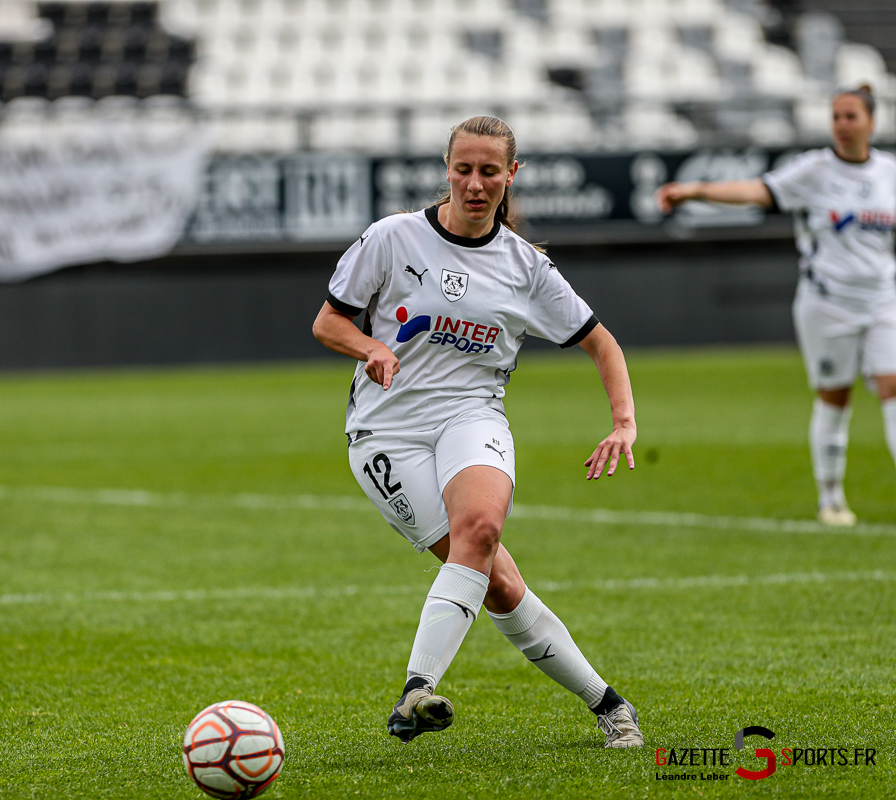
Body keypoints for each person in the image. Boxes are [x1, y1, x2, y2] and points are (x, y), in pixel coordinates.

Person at [311, 116, 644, 748]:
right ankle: (608, 703)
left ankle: (416, 689)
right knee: (500, 583)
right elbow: (328, 322)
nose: (474, 183)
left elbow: (602, 342)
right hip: (386, 433)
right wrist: (371, 348)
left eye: (489, 171)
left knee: (482, 531)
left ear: (511, 175)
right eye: (463, 169)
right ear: (447, 169)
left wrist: (623, 423)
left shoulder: (526, 266)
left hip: (472, 415)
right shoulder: (392, 237)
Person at [657, 85, 896, 527]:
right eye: (836, 116)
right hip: (828, 303)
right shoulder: (814, 170)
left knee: (893, 388)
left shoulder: (889, 173)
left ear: (871, 122)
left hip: (884, 301)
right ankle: (831, 498)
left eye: (851, 116)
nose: (842, 125)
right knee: (835, 397)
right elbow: (756, 190)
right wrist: (694, 191)